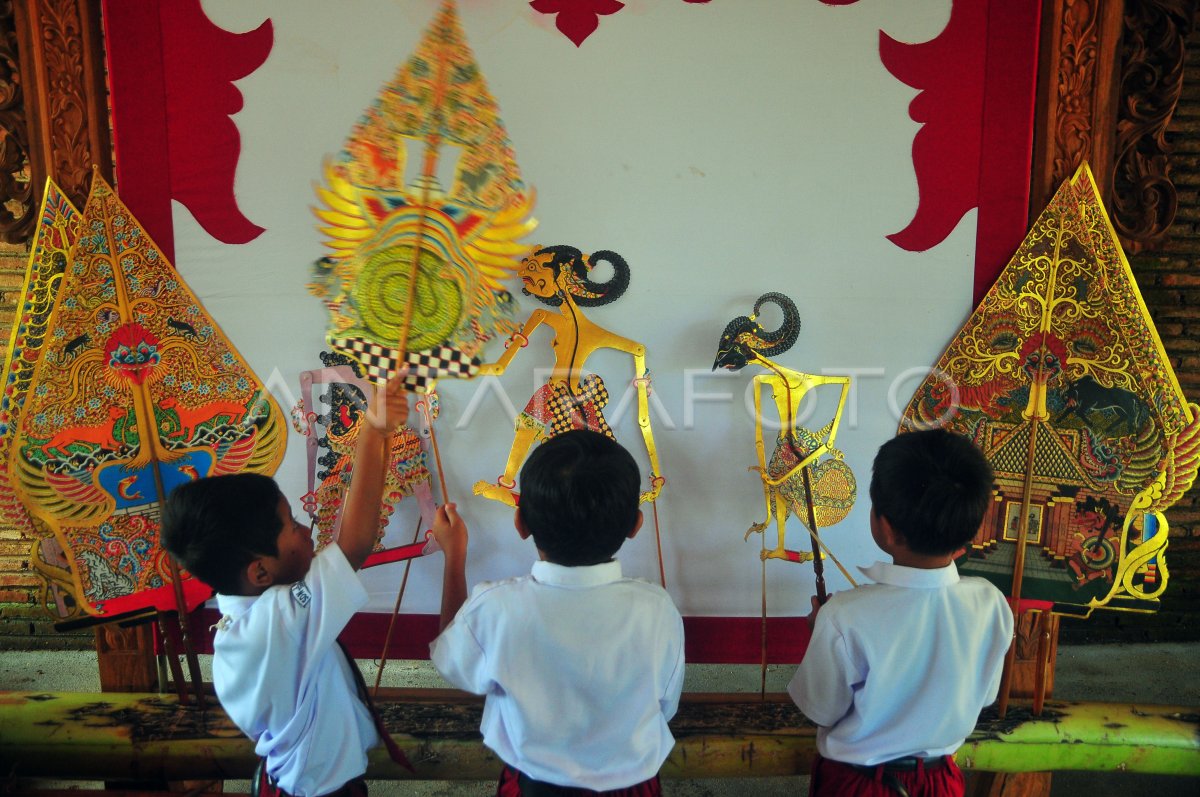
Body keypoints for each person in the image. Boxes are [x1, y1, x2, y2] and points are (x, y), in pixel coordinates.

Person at [161, 378, 468, 797]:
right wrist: (374, 433)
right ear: (260, 572)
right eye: (291, 527)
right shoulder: (276, 624)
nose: (306, 530)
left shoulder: (246, 620)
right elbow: (354, 544)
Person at [432, 429, 684, 796]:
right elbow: (664, 706)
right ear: (635, 526)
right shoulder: (656, 608)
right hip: (632, 787)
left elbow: (452, 659)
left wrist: (454, 558)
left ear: (520, 523)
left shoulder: (499, 608)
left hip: (532, 787)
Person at [788, 428, 1014, 797]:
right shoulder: (991, 603)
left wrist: (822, 633)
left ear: (884, 526)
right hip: (941, 782)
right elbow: (985, 696)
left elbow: (822, 710)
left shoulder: (844, 616)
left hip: (859, 785)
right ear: (968, 533)